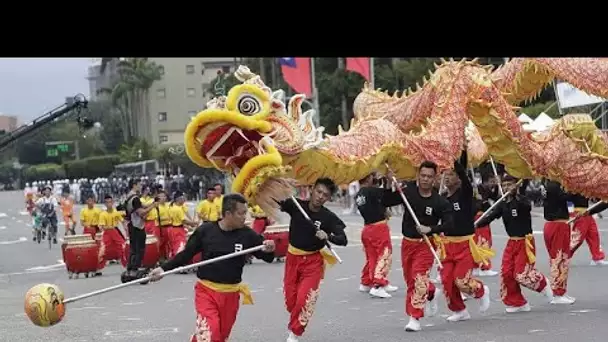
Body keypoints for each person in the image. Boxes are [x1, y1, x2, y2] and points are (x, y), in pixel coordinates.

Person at [149, 194, 276, 342]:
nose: (245, 217)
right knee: (212, 334)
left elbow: (267, 257)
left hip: (231, 294)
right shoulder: (206, 231)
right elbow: (186, 254)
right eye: (241, 213)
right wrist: (163, 269)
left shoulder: (247, 235)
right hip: (207, 292)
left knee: (220, 337)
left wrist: (269, 249)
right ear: (228, 214)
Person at [277, 177, 347, 342]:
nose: (320, 196)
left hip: (313, 262)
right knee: (291, 302)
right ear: (312, 189)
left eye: (325, 195)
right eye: (319, 191)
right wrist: (281, 184)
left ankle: (294, 333)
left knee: (305, 299)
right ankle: (296, 318)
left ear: (329, 198)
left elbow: (343, 239)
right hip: (292, 259)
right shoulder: (296, 206)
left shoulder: (328, 217)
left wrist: (327, 235)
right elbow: (275, 199)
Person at [385, 161, 452, 332]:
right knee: (411, 281)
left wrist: (431, 229)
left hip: (426, 245)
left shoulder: (439, 202)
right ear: (418, 175)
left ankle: (414, 317)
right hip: (408, 243)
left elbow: (449, 223)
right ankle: (430, 291)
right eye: (423, 175)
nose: (425, 179)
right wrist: (389, 183)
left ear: (434, 179)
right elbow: (387, 201)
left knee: (418, 278)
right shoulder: (408, 192)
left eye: (429, 177)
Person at [475, 175, 554, 312]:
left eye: (510, 185)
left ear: (516, 185)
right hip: (512, 242)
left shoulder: (522, 201)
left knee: (521, 274)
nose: (506, 188)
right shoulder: (503, 204)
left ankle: (542, 283)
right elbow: (490, 216)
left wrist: (517, 194)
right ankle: (517, 302)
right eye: (504, 185)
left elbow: (526, 206)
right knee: (506, 273)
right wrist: (474, 225)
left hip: (525, 242)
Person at [438, 150, 492, 323]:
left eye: (451, 175)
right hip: (447, 245)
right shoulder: (442, 198)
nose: (447, 178)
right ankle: (459, 310)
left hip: (464, 245)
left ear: (459, 178)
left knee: (461, 281)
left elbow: (464, 175)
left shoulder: (465, 193)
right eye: (445, 175)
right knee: (447, 280)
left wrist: (458, 153)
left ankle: (481, 290)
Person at [355, 172, 399, 298]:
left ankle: (366, 282)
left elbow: (381, 201)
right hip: (378, 228)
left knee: (372, 257)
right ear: (368, 177)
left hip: (367, 228)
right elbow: (390, 198)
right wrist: (392, 182)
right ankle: (378, 284)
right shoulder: (372, 191)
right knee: (384, 255)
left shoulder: (359, 194)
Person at [542, 179, 575, 304]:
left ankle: (561, 291)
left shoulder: (547, 183)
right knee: (560, 259)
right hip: (558, 224)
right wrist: (575, 187)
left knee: (560, 258)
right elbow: (566, 198)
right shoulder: (554, 185)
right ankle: (558, 293)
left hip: (553, 224)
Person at [123, 178, 159, 279]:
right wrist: (153, 207)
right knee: (139, 249)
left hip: (131, 224)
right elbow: (141, 212)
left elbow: (143, 205)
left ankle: (130, 268)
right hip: (137, 225)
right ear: (134, 185)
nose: (141, 186)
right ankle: (135, 268)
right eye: (139, 184)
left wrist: (153, 202)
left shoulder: (129, 196)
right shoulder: (135, 198)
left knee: (133, 248)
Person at [567, 193, 608, 265]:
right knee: (577, 238)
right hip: (578, 213)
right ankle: (564, 257)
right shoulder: (573, 185)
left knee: (594, 235)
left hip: (587, 212)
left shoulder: (586, 186)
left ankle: (597, 257)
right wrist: (571, 213)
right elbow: (568, 199)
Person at [473, 176, 500, 277]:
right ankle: (484, 267)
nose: (492, 184)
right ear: (486, 181)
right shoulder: (476, 188)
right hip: (479, 216)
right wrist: (480, 200)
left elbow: (496, 198)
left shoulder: (486, 189)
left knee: (479, 241)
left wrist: (497, 186)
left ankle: (476, 266)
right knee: (483, 241)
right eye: (491, 181)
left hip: (484, 215)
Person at [167, 191, 197, 259]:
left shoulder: (171, 207)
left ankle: (172, 262)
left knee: (173, 247)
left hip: (172, 229)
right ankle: (177, 264)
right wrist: (193, 223)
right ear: (178, 199)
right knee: (180, 247)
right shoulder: (178, 209)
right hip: (178, 230)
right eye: (183, 198)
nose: (184, 200)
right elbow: (184, 221)